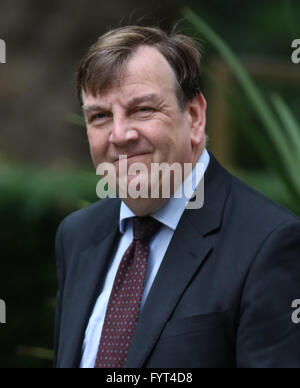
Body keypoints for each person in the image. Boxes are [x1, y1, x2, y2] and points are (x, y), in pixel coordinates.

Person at [54, 25, 300, 368]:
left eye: (142, 109)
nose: (120, 134)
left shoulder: (269, 244)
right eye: (100, 116)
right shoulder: (77, 235)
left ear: (195, 117)